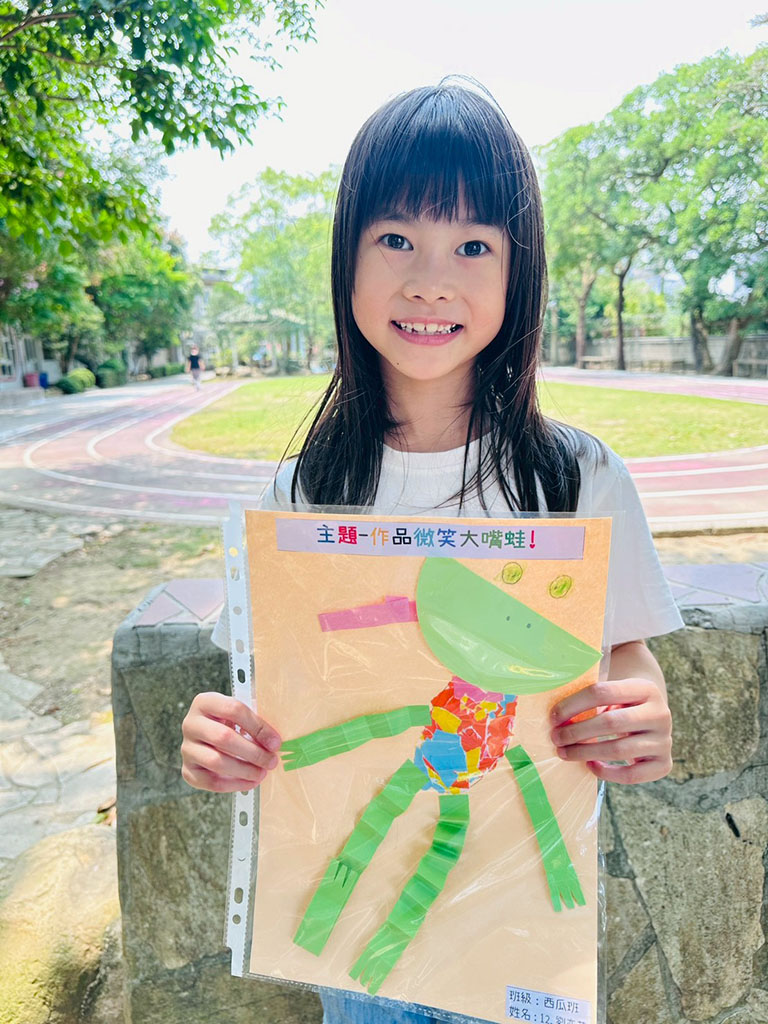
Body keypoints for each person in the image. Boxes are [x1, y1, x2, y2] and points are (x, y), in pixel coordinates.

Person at [181, 81, 683, 1024]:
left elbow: (624, 653)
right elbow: (269, 693)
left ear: (519, 270)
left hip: (523, 940)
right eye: (396, 238)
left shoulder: (578, 479)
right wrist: (221, 739)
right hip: (359, 963)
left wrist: (637, 715)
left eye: (474, 246)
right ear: (348, 258)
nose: (430, 281)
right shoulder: (298, 497)